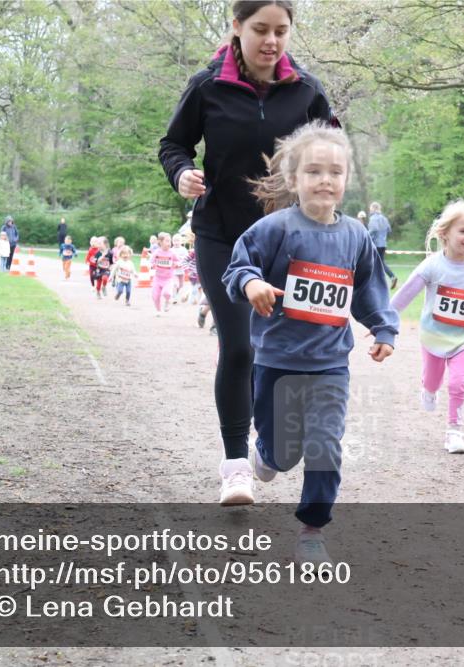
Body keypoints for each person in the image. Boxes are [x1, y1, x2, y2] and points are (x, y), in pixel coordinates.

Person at [158, 0, 336, 503]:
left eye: (281, 30)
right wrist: (182, 173)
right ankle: (235, 464)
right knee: (239, 346)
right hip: (222, 236)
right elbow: (173, 145)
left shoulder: (307, 91)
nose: (271, 41)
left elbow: (331, 152)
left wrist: (324, 196)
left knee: (287, 350)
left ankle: (268, 446)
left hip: (289, 240)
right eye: (261, 29)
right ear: (237, 27)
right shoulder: (207, 86)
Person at [222, 122, 397, 562]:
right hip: (277, 360)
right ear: (293, 178)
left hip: (330, 364)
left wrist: (383, 328)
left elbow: (369, 288)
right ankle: (266, 454)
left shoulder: (356, 236)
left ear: (346, 180)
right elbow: (237, 268)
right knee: (282, 455)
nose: (325, 180)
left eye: (335, 172)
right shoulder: (275, 229)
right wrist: (251, 284)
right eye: (314, 171)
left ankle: (312, 530)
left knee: (324, 445)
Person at [390, 201, 464, 453]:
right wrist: (385, 319)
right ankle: (428, 390)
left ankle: (454, 432)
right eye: (463, 231)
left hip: (463, 338)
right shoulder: (432, 265)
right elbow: (407, 292)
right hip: (433, 336)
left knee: (458, 383)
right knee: (433, 381)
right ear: (445, 233)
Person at [367, 202, 398, 289]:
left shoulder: (373, 218)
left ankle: (389, 278)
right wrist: (382, 235)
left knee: (374, 263)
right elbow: (389, 229)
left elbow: (373, 229)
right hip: (383, 244)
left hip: (375, 244)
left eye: (370, 208)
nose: (370, 210)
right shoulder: (384, 218)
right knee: (378, 263)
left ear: (374, 208)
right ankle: (388, 278)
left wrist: (365, 235)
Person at [150, 232, 178, 315]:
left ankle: (167, 301)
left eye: (170, 241)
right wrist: (152, 265)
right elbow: (151, 261)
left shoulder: (172, 252)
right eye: (167, 241)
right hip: (157, 278)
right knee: (155, 295)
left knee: (167, 293)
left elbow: (178, 261)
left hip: (168, 279)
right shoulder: (157, 252)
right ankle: (158, 310)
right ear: (160, 242)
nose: (169, 243)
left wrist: (177, 264)